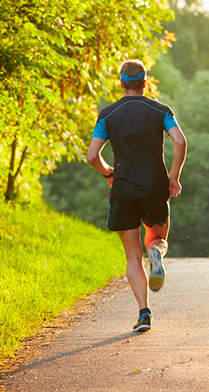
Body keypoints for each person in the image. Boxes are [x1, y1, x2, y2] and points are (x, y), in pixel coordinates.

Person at [87, 59, 187, 333]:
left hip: (124, 191)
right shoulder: (160, 110)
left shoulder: (108, 114)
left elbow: (92, 155)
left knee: (132, 256)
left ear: (121, 83)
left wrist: (109, 173)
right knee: (157, 239)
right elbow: (179, 140)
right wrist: (174, 177)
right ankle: (156, 253)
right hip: (155, 187)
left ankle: (144, 313)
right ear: (145, 82)